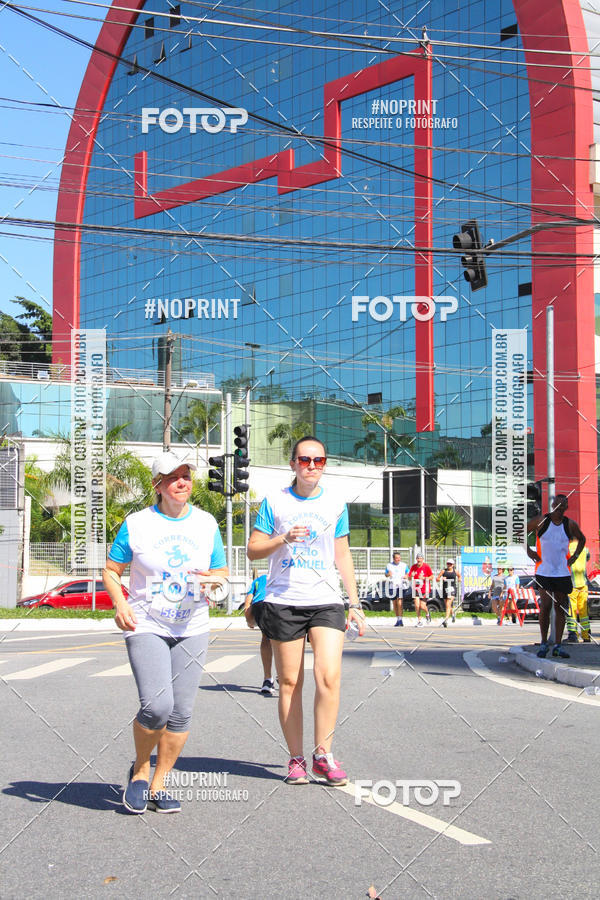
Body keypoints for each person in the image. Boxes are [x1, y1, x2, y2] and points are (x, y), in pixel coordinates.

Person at [102, 451, 228, 814]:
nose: (181, 482)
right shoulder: (138, 523)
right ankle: (140, 771)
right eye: (172, 477)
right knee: (157, 707)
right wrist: (120, 603)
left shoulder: (206, 524)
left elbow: (219, 573)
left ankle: (159, 783)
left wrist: (214, 585)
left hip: (193, 625)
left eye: (186, 475)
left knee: (181, 713)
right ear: (157, 485)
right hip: (147, 624)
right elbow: (112, 570)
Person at [247, 436, 364, 786]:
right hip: (284, 599)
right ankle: (296, 758)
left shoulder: (335, 503)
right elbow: (253, 550)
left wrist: (354, 602)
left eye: (319, 460)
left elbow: (342, 553)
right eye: (304, 460)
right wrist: (283, 538)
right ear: (293, 463)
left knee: (328, 677)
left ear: (325, 464)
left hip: (326, 599)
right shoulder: (275, 501)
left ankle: (323, 754)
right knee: (290, 682)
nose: (311, 466)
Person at [527, 493, 585, 659]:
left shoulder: (570, 525)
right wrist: (529, 551)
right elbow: (521, 532)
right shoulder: (541, 521)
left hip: (561, 572)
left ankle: (558, 645)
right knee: (545, 606)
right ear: (553, 505)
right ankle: (544, 642)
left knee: (560, 607)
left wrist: (574, 557)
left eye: (563, 505)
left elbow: (582, 539)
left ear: (566, 507)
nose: (560, 507)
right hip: (544, 571)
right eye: (558, 504)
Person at [244, 569, 276, 694]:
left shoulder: (258, 580)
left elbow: (248, 603)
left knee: (266, 637)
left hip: (260, 606)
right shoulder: (283, 575)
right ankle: (284, 674)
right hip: (279, 604)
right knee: (284, 639)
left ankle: (267, 679)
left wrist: (249, 621)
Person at [566, 541, 591, 643]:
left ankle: (573, 635)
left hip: (572, 584)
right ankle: (586, 636)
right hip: (583, 584)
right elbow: (587, 559)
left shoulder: (567, 549)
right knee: (583, 611)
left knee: (572, 612)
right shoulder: (585, 548)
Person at [408, 553, 433, 626]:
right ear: (416, 559)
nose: (419, 560)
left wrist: (424, 578)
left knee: (422, 606)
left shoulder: (426, 566)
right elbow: (409, 578)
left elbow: (432, 577)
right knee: (416, 605)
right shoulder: (413, 567)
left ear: (422, 559)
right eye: (418, 558)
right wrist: (411, 576)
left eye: (420, 558)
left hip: (425, 589)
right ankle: (419, 621)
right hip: (416, 589)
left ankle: (427, 614)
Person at [385, 551, 408, 627]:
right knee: (395, 603)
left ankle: (401, 620)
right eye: (396, 558)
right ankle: (398, 619)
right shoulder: (389, 565)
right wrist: (388, 574)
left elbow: (408, 573)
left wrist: (406, 576)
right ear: (393, 558)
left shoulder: (404, 565)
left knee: (400, 602)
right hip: (392, 585)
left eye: (399, 558)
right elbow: (386, 574)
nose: (398, 559)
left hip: (401, 585)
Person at [437, 559, 461, 627]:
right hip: (445, 590)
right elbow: (437, 579)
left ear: (453, 565)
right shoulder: (443, 571)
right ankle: (453, 614)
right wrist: (441, 578)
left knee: (448, 604)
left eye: (450, 564)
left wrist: (459, 579)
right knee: (448, 605)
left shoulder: (455, 571)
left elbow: (459, 576)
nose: (449, 565)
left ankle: (446, 620)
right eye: (448, 564)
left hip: (452, 589)